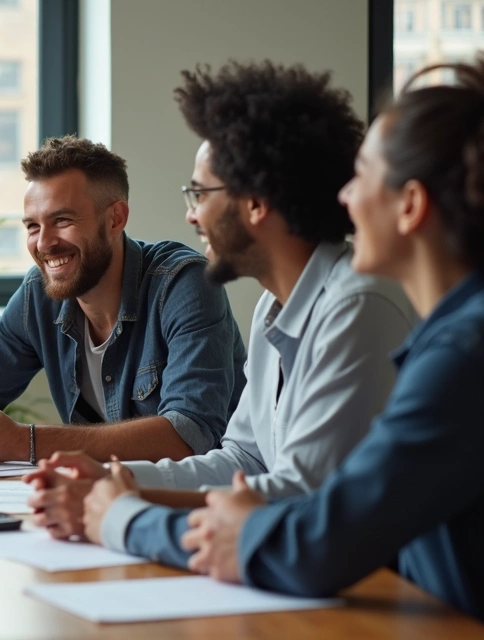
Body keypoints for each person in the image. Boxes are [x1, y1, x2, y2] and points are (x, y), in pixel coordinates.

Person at [26, 61, 417, 553]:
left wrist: (120, 509)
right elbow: (243, 461)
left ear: (254, 203)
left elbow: (302, 496)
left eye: (199, 192)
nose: (190, 213)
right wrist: (112, 479)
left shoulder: (357, 308)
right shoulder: (275, 307)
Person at [175, 57, 484, 621]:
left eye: (363, 176)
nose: (343, 198)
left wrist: (122, 515)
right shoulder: (448, 341)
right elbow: (253, 465)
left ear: (411, 205)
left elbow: (319, 534)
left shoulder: (458, 356)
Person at [0, 137, 247, 465]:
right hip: (101, 500)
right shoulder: (38, 295)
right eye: (33, 226)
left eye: (62, 221)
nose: (44, 243)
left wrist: (25, 441)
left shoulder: (184, 282)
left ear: (115, 219)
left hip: (203, 504)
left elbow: (190, 434)